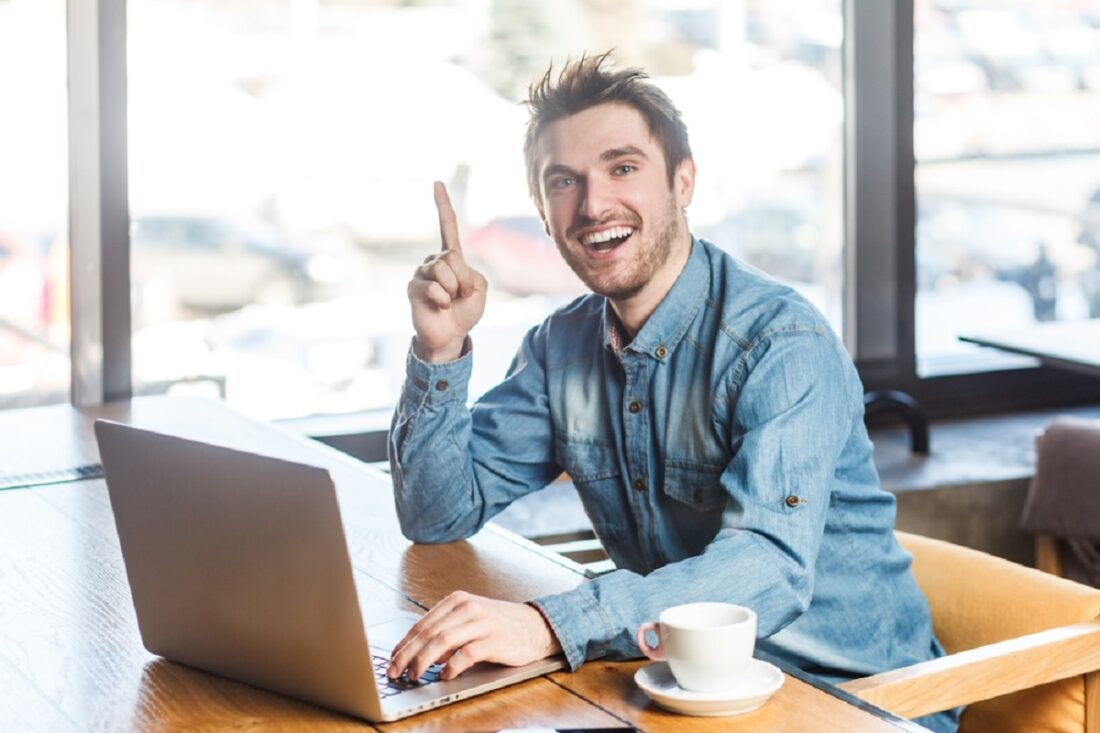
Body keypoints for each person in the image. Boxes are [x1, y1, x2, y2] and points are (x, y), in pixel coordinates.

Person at [386, 53, 958, 732]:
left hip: (856, 703)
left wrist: (547, 622)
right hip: (683, 693)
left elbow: (768, 566)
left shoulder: (782, 343)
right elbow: (436, 513)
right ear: (542, 211)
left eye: (623, 168)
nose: (594, 204)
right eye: (565, 181)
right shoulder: (559, 347)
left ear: (682, 181)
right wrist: (439, 349)